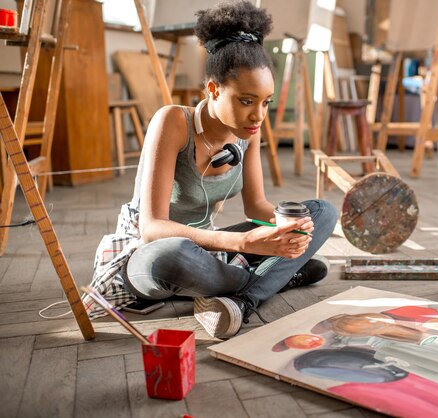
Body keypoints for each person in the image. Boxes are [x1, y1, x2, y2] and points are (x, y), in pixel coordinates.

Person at [86, 1, 338, 339]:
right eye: (246, 101)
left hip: (212, 249)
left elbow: (256, 207)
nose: (258, 115)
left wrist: (287, 227)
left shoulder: (250, 130)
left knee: (323, 210)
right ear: (214, 89)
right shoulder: (173, 121)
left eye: (266, 102)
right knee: (172, 256)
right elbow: (152, 228)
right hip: (153, 253)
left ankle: (244, 299)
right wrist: (244, 242)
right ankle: (274, 278)